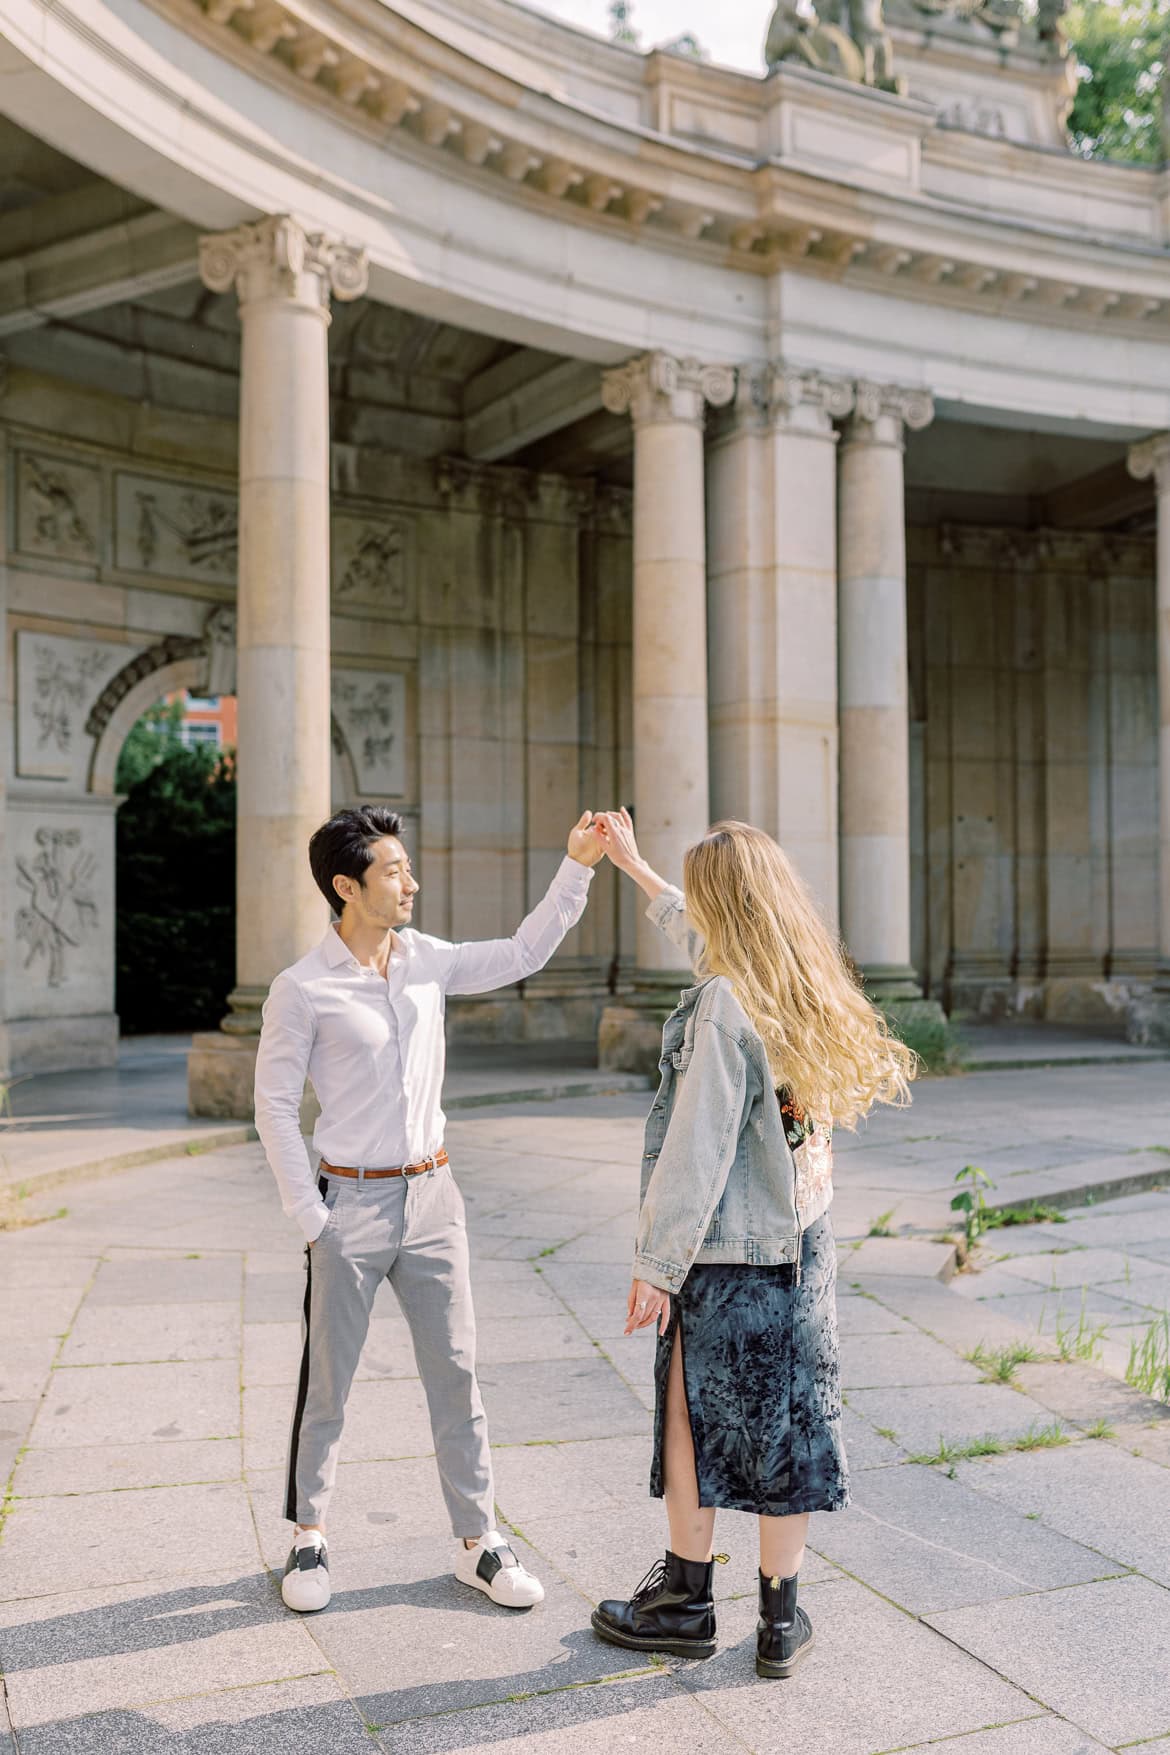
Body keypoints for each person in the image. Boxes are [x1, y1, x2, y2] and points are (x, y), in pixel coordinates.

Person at [254, 804, 605, 1614]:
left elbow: (522, 951)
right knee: (329, 1385)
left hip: (434, 1197)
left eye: (408, 867)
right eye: (393, 870)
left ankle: (478, 1542)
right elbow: (273, 1107)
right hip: (349, 1204)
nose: (411, 882)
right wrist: (312, 1219)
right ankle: (309, 1534)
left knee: (457, 1374)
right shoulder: (302, 989)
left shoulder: (426, 961)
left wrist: (576, 865)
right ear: (347, 885)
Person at [588, 811, 914, 1678]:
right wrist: (637, 867)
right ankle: (779, 1621)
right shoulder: (797, 979)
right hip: (805, 1247)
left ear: (724, 907)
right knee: (790, 1426)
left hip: (728, 1253)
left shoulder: (723, 1002)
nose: (689, 911)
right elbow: (694, 927)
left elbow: (696, 1150)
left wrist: (656, 1267)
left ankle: (685, 1602)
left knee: (692, 1419)